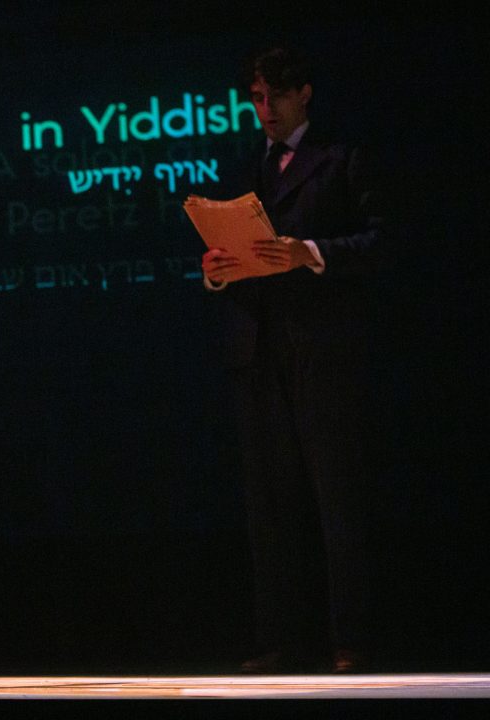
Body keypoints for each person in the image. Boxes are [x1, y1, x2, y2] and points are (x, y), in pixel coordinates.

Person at [200, 44, 385, 674]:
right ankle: (282, 640)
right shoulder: (250, 162)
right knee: (270, 505)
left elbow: (383, 242)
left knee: (336, 500)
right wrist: (218, 270)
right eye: (255, 98)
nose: (265, 109)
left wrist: (310, 251)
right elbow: (238, 245)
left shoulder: (343, 156)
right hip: (258, 349)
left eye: (276, 96)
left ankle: (349, 640)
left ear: (303, 93)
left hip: (322, 350)